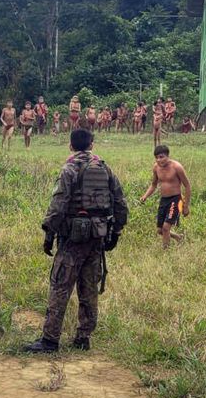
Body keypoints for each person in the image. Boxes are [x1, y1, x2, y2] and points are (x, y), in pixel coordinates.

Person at [24, 129, 128, 353]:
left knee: (60, 287)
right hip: (97, 237)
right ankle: (83, 338)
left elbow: (58, 204)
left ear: (70, 146)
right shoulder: (104, 168)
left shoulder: (69, 168)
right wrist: (116, 233)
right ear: (92, 144)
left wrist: (49, 233)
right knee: (88, 288)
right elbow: (121, 203)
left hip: (73, 239)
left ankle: (50, 340)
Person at [139, 145, 191, 249]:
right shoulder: (156, 168)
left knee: (166, 227)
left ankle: (166, 250)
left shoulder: (177, 167)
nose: (159, 160)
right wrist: (145, 196)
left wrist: (186, 206)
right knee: (160, 230)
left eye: (161, 157)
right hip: (164, 200)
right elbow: (154, 184)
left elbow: (187, 186)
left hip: (175, 199)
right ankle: (178, 237)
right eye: (157, 157)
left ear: (168, 156)